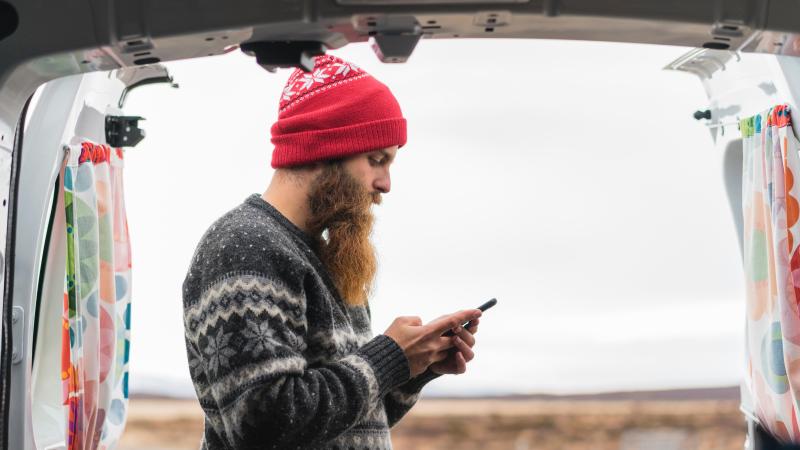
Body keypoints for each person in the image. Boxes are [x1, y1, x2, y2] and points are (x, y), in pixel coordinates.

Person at [182, 54, 481, 450]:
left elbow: (344, 422)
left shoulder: (325, 256)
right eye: (377, 160)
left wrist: (413, 368)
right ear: (323, 148)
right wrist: (388, 357)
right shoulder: (245, 246)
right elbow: (266, 424)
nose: (386, 183)